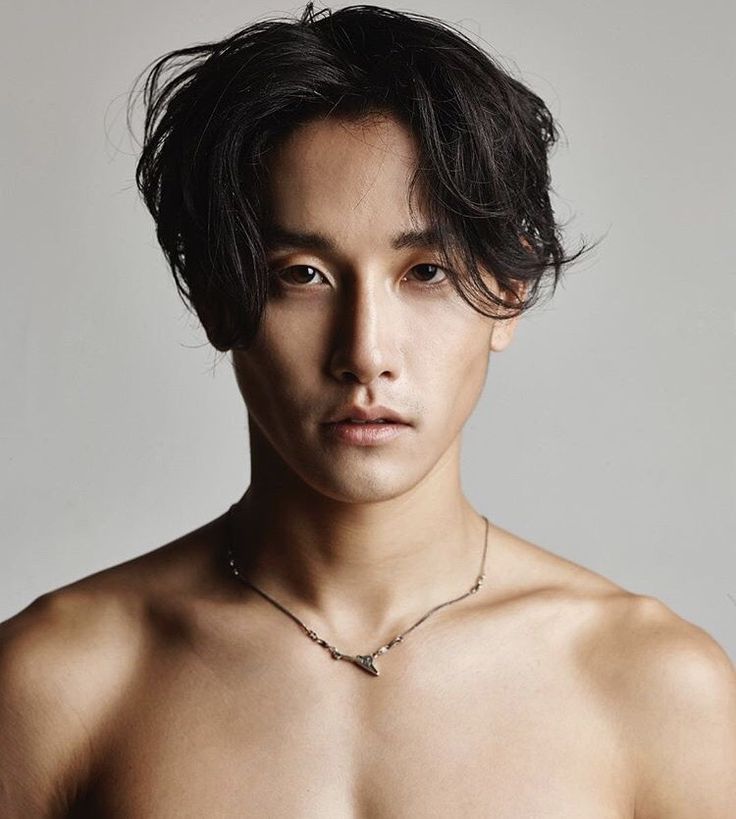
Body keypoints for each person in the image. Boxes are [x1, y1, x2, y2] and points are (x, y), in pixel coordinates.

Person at [2, 3, 735, 816]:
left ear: (508, 292)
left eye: (426, 272)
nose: (365, 352)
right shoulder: (56, 681)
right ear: (214, 296)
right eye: (302, 274)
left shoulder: (653, 689)